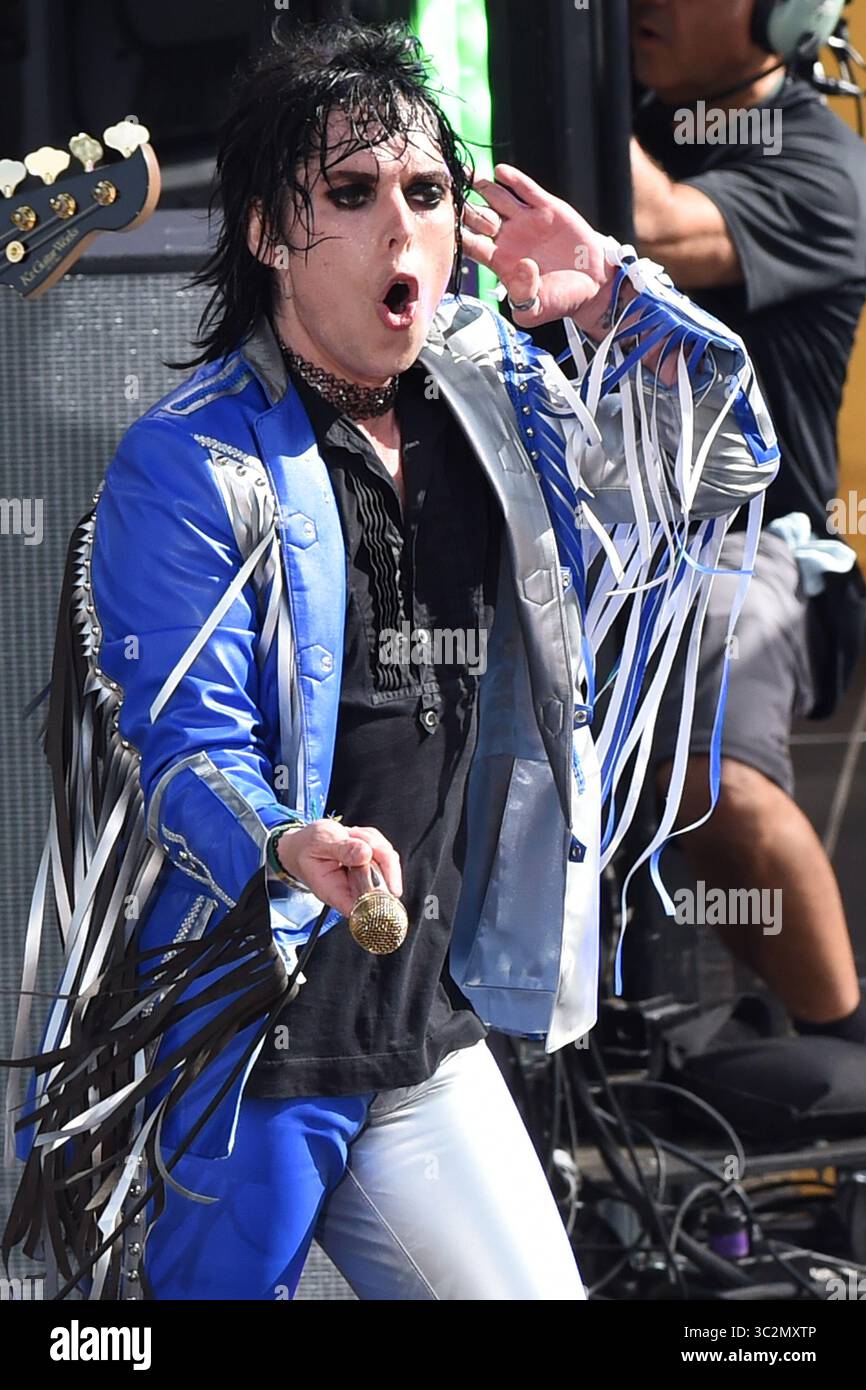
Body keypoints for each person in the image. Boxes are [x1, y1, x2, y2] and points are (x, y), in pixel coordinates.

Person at [3, 18, 778, 1301]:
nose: (399, 230)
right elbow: (180, 749)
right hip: (254, 1042)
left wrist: (613, 296)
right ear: (266, 233)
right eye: (350, 196)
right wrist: (281, 840)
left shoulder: (497, 394)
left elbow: (723, 468)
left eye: (424, 195)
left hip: (424, 1026)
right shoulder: (190, 463)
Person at [630, 0, 866, 1042]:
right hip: (579, 531)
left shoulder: (819, 164)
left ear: (783, 15)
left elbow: (652, 229)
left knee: (705, 775)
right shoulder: (629, 116)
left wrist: (529, 66)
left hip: (744, 534)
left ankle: (840, 1047)